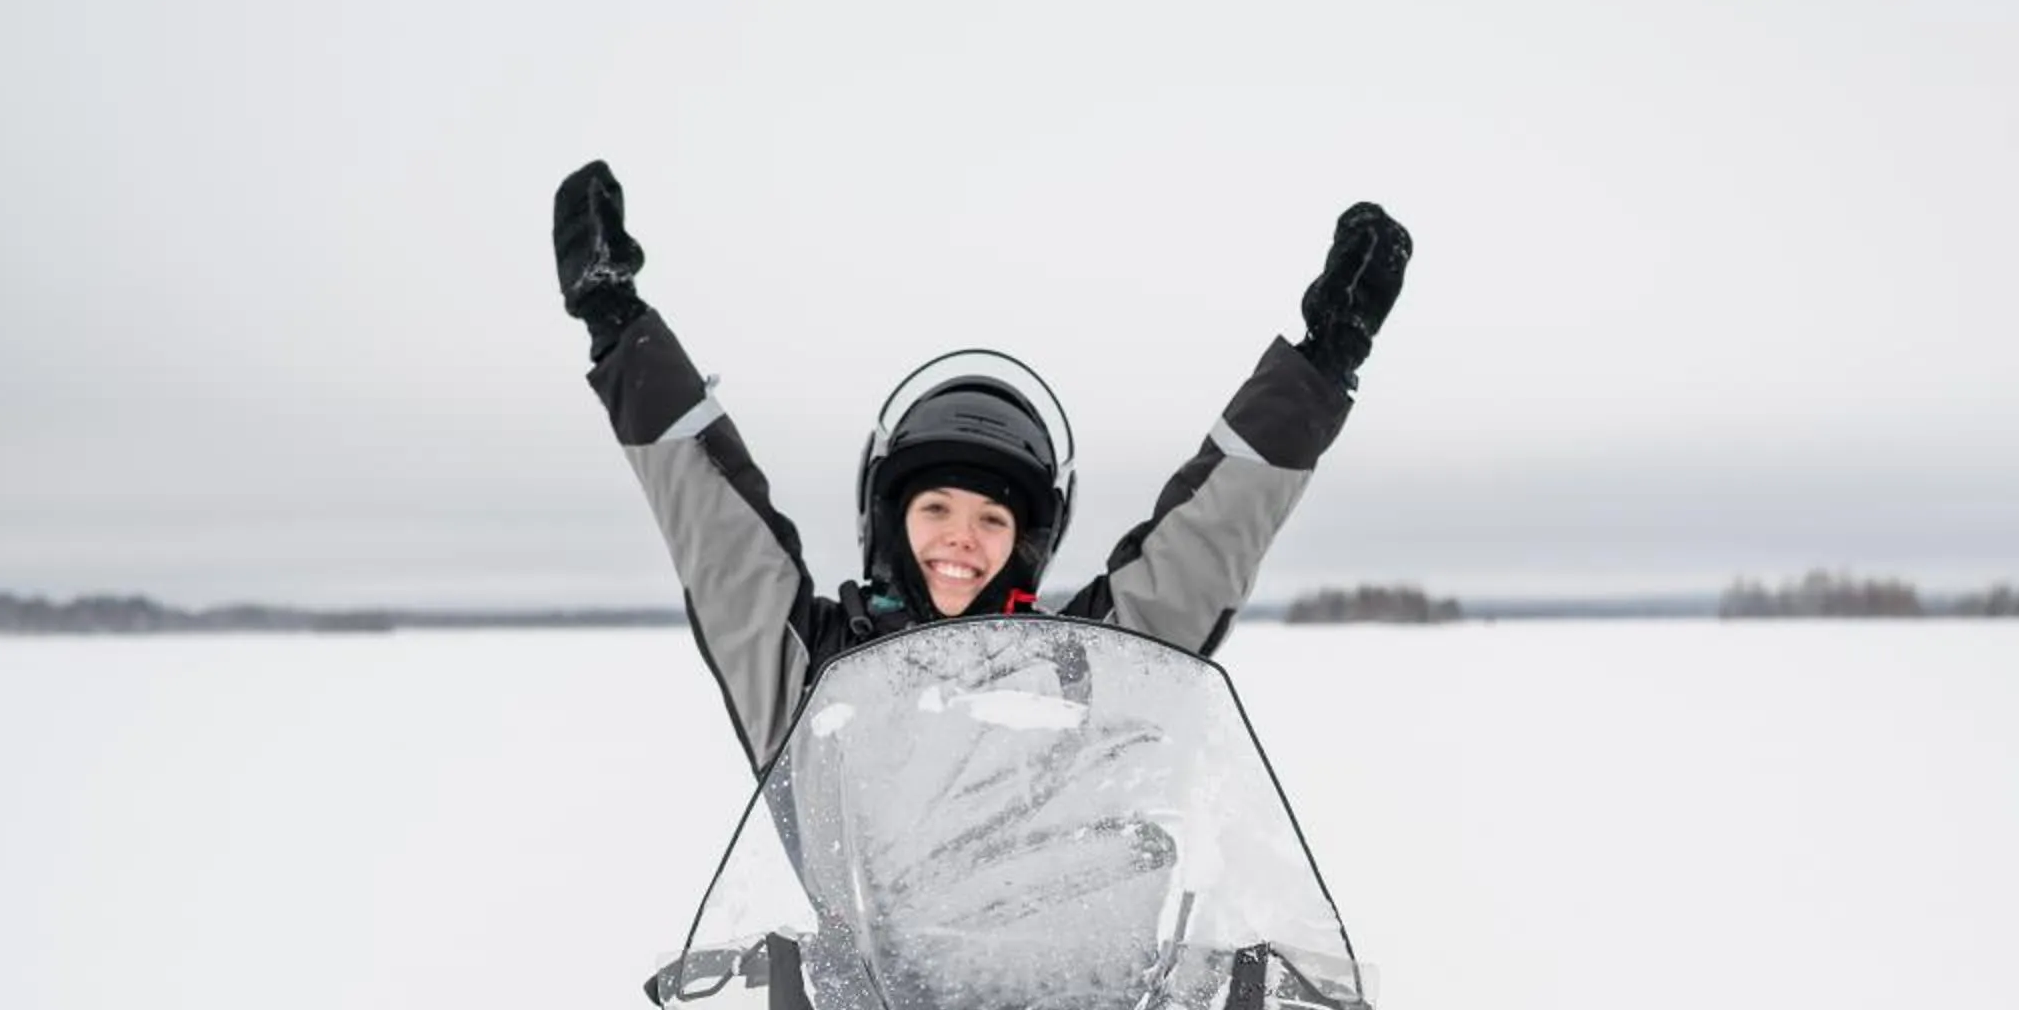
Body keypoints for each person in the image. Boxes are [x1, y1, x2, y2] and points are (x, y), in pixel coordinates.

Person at [553, 160, 1411, 774]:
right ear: (891, 520)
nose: (962, 539)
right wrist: (617, 325)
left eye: (993, 518)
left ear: (1026, 542)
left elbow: (1206, 544)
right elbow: (718, 532)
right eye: (936, 509)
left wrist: (1321, 364)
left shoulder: (1086, 664)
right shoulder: (808, 675)